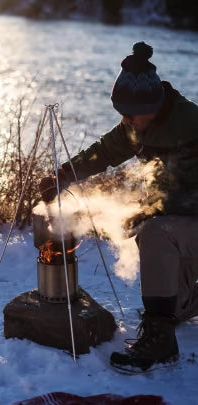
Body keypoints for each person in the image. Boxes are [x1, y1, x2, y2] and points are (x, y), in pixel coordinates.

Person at [39, 41, 198, 372]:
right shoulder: (138, 124)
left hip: (187, 223)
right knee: (175, 307)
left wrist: (155, 210)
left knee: (155, 233)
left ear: (152, 104)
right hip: (183, 227)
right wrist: (64, 174)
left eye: (130, 115)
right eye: (122, 114)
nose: (125, 121)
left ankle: (161, 343)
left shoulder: (192, 125)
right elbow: (105, 151)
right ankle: (168, 318)